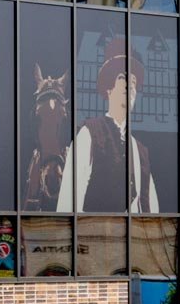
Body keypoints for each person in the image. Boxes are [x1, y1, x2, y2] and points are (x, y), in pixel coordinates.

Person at [56, 38, 160, 213]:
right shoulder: (89, 134)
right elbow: (68, 202)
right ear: (109, 88)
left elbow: (151, 209)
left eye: (134, 81)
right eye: (122, 78)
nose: (130, 85)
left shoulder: (140, 151)